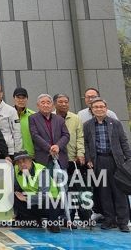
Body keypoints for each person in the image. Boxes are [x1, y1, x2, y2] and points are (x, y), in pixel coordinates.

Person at [84, 97, 131, 231]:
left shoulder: (115, 123)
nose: (99, 109)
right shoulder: (87, 125)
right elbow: (86, 143)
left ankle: (123, 222)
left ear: (106, 108)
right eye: (96, 107)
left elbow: (123, 141)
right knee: (104, 192)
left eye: (101, 106)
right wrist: (88, 159)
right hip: (99, 160)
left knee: (119, 191)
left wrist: (129, 158)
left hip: (116, 161)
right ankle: (109, 220)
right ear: (92, 110)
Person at [53, 93, 89, 224]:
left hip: (73, 160)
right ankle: (66, 217)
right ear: (55, 103)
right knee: (61, 189)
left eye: (66, 102)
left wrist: (80, 153)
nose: (64, 104)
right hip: (57, 160)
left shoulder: (75, 118)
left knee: (76, 190)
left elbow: (80, 137)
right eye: (60, 102)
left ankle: (81, 217)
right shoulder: (51, 117)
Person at [12, 150, 62, 232]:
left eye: (24, 161)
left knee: (51, 202)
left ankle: (53, 222)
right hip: (34, 202)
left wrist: (26, 198)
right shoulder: (16, 170)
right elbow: (15, 188)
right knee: (13, 197)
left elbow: (43, 195)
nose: (22, 164)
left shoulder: (42, 171)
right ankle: (32, 220)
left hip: (51, 202)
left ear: (30, 160)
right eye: (19, 162)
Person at [28, 94, 70, 169]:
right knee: (45, 176)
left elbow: (66, 135)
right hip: (43, 157)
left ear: (52, 105)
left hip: (60, 156)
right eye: (43, 103)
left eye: (48, 103)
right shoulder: (33, 118)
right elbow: (35, 135)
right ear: (38, 105)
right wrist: (50, 148)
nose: (46, 105)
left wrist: (58, 146)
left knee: (62, 177)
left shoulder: (59, 119)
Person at [13, 88, 35, 157]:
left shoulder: (33, 115)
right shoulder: (7, 115)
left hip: (30, 155)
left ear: (27, 99)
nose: (21, 100)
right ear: (14, 98)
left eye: (23, 98)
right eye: (18, 98)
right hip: (13, 155)